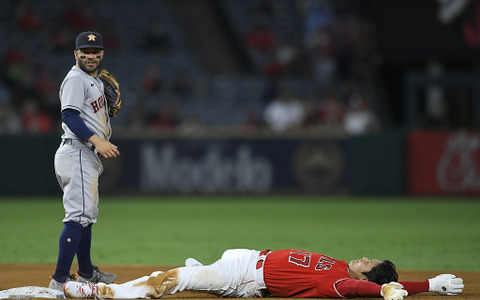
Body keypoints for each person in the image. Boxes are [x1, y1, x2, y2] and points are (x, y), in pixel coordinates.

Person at [63, 248, 464, 299]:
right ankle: (201, 271)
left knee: (168, 280)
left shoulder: (341, 281)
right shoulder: (340, 267)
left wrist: (384, 291)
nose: (365, 257)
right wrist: (430, 282)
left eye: (371, 263)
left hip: (244, 274)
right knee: (191, 274)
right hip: (245, 265)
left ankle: (102, 295)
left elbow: (358, 290)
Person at [49, 31, 120, 291]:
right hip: (77, 150)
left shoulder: (94, 81)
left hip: (84, 154)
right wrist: (97, 140)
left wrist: (105, 112)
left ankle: (87, 273)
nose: (91, 55)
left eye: (96, 51)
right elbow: (69, 116)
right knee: (78, 216)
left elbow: (88, 113)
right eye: (86, 52)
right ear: (76, 54)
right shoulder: (76, 79)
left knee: (86, 217)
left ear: (102, 53)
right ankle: (59, 281)